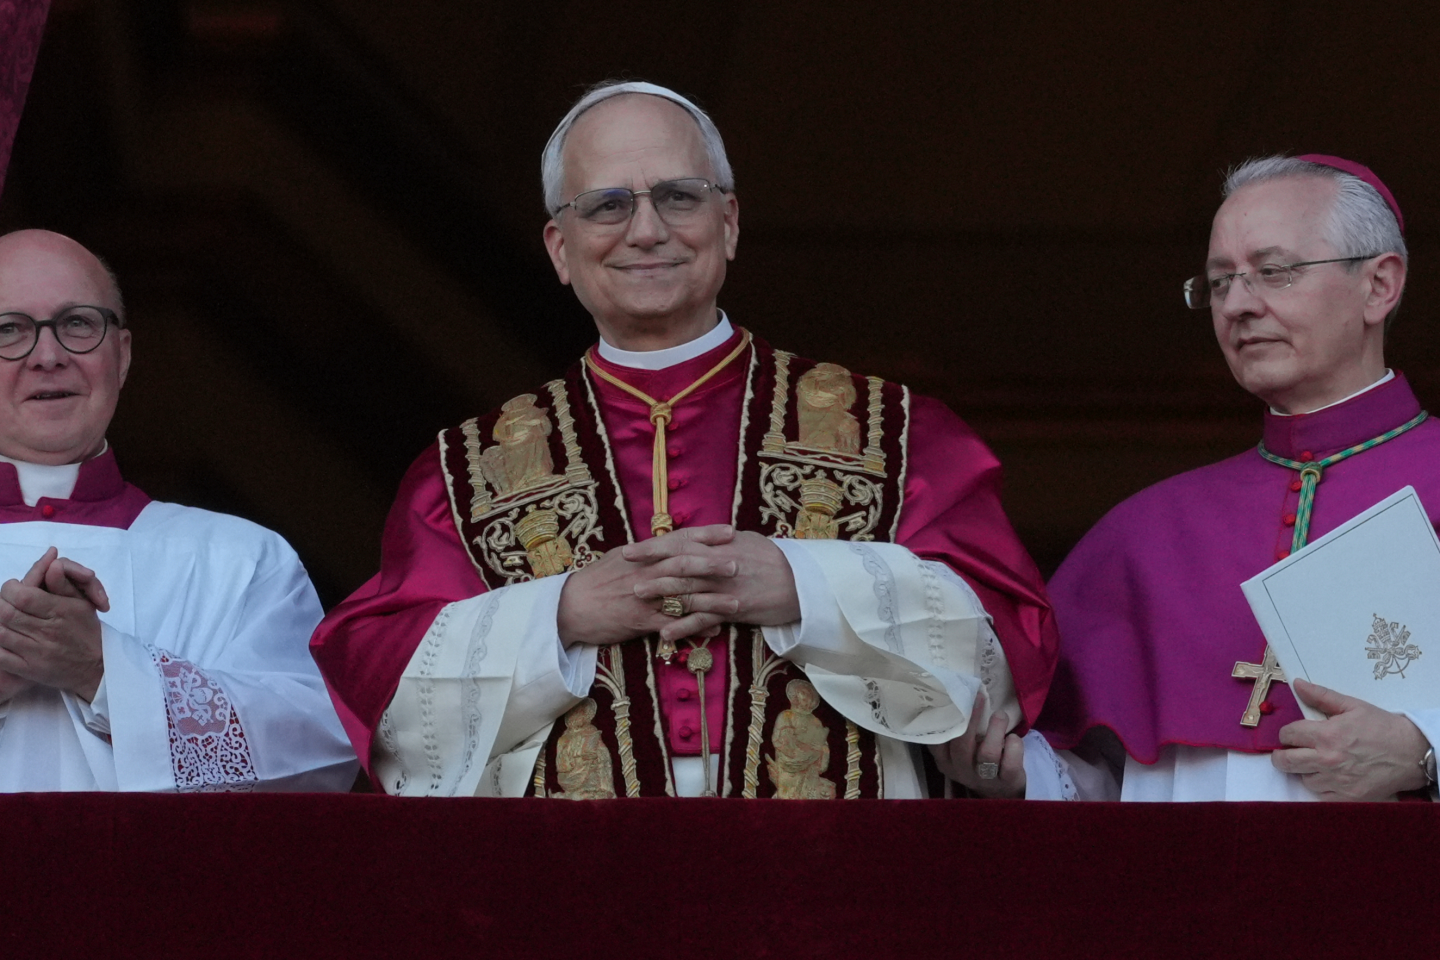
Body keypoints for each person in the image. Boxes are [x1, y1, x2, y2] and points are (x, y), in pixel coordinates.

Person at [311, 80, 1060, 799]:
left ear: (728, 222)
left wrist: (805, 586)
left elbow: (1010, 645)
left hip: (834, 875)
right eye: (606, 205)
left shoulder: (895, 433)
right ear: (559, 249)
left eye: (678, 196)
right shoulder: (466, 472)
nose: (647, 230)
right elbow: (385, 698)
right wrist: (562, 614)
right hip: (573, 883)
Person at [1029, 154, 1440, 801]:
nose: (1240, 305)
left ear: (1379, 285)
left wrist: (1426, 750)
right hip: (1193, 898)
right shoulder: (1146, 533)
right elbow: (1098, 785)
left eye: (1273, 272)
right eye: (1220, 282)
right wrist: (1007, 770)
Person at [0, 228, 357, 791]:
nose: (49, 356)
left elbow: (321, 758)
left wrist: (102, 671)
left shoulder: (242, 559)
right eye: (9, 330)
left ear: (122, 355)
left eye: (78, 324)